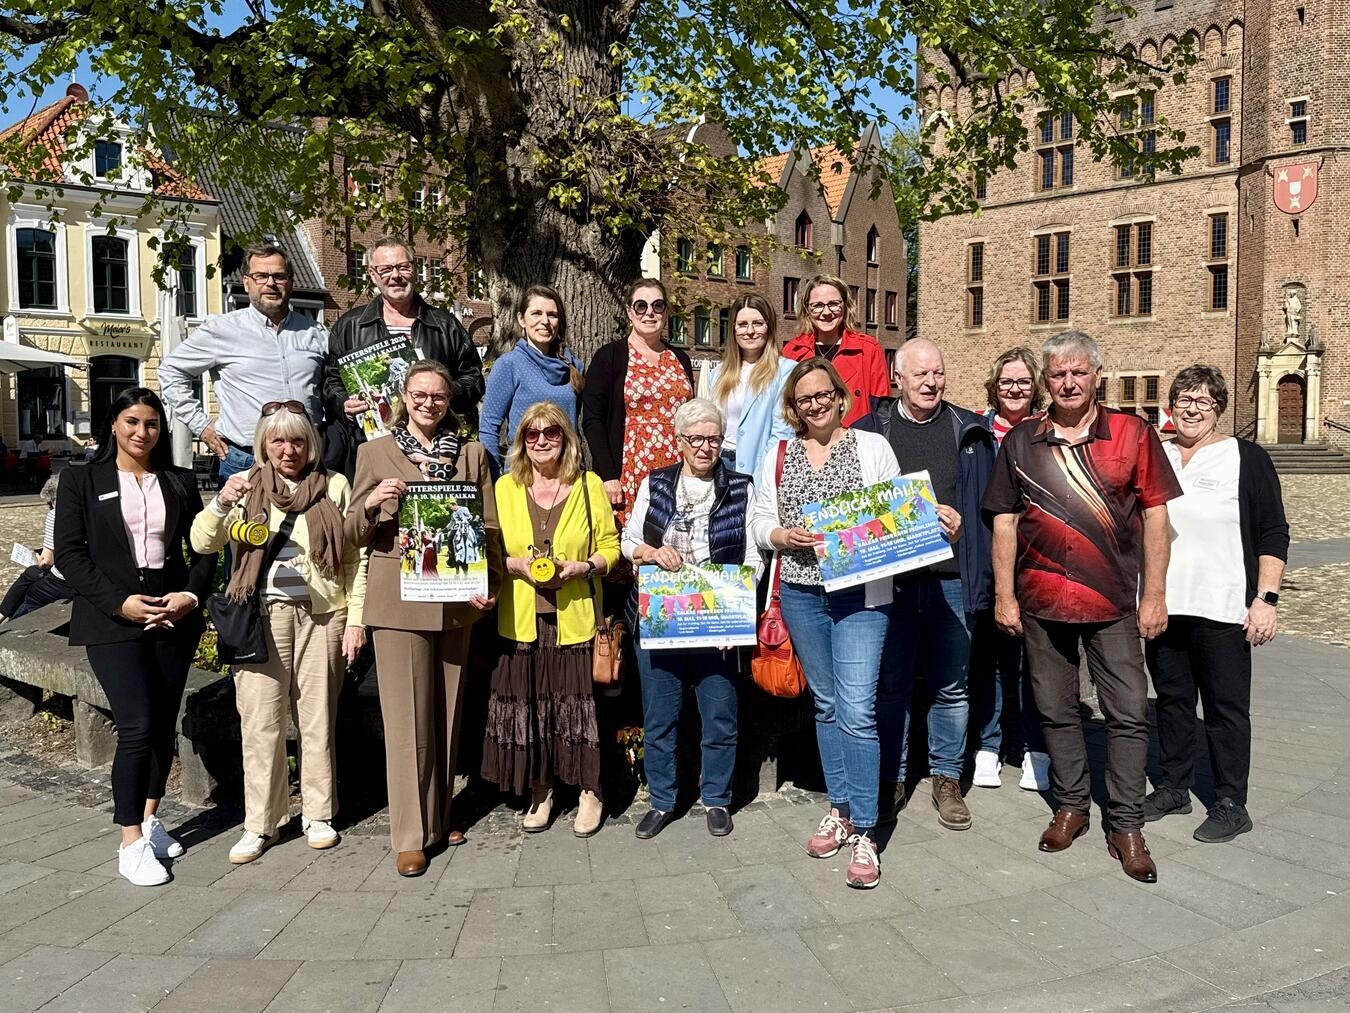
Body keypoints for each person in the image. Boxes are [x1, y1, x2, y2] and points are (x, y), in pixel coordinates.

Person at [982, 331, 1181, 883]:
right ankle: (1071, 805)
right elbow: (1004, 519)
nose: (1068, 383)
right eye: (1058, 374)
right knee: (1055, 708)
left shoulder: (1133, 434)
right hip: (1042, 600)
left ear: (1098, 376)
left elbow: (1158, 518)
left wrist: (1156, 594)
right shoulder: (1022, 441)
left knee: (1127, 712)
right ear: (1047, 381)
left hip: (1113, 601)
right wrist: (1004, 594)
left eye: (1078, 373)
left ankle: (1126, 823)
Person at [191, 402, 368, 864]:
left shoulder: (334, 486)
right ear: (263, 444)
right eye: (278, 441)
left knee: (317, 720)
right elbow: (202, 542)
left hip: (322, 615)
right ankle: (260, 823)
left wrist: (356, 619)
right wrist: (221, 502)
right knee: (260, 723)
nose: (288, 450)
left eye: (297, 440)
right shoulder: (246, 485)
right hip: (260, 616)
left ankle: (318, 812)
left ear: (310, 442)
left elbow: (354, 557)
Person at [53, 389, 217, 886]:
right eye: (131, 421)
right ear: (112, 425)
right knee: (138, 724)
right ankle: (129, 843)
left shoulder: (179, 480)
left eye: (151, 423)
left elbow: (205, 547)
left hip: (170, 612)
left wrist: (190, 596)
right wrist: (118, 602)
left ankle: (148, 819)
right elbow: (69, 554)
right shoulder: (81, 480)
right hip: (112, 617)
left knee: (163, 722)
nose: (141, 432)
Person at [346, 360, 501, 876]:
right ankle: (410, 835)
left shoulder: (473, 455)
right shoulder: (374, 452)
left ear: (449, 401)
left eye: (438, 395)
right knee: (406, 719)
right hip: (398, 600)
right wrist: (372, 502)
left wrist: (489, 583)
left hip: (456, 599)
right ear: (403, 397)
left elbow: (490, 526)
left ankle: (440, 816)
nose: (429, 403)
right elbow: (351, 532)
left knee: (448, 713)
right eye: (419, 394)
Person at [749, 358, 900, 889]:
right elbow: (760, 518)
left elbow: (894, 511)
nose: (815, 403)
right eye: (804, 398)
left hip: (861, 594)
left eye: (823, 395)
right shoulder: (779, 453)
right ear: (794, 406)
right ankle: (840, 808)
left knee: (857, 709)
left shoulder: (871, 448)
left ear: (840, 398)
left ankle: (868, 828)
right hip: (801, 592)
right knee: (828, 703)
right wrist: (780, 538)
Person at [1144, 365, 1289, 844]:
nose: (1192, 408)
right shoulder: (1156, 454)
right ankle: (1173, 786)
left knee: (1226, 709)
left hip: (1224, 607)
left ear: (1218, 408)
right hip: (1166, 603)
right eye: (1183, 399)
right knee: (1173, 702)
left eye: (1203, 401)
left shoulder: (1244, 458)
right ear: (1170, 405)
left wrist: (1266, 598)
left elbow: (1273, 531)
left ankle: (1231, 801)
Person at [859, 339, 987, 832]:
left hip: (952, 579)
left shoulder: (968, 429)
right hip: (891, 581)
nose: (931, 382)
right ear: (898, 378)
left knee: (951, 686)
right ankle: (891, 777)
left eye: (938, 373)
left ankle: (946, 778)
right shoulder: (871, 430)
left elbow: (987, 505)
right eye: (920, 375)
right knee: (890, 685)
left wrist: (965, 527)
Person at [623, 398, 760, 840]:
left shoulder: (741, 486)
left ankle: (716, 798)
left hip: (717, 622)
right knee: (660, 716)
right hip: (661, 617)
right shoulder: (656, 483)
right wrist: (649, 551)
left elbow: (754, 558)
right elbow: (627, 540)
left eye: (714, 438)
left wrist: (734, 613)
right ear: (679, 441)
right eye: (696, 438)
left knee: (720, 714)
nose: (705, 447)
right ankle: (663, 800)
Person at [482, 403, 619, 836]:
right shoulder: (504, 488)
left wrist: (587, 567)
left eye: (553, 432)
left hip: (574, 617)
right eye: (532, 433)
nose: (542, 440)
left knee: (577, 710)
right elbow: (486, 548)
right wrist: (512, 564)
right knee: (532, 707)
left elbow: (611, 546)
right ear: (521, 441)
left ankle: (589, 792)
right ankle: (541, 791)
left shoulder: (587, 484)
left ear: (567, 438)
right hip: (522, 617)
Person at [159, 244, 328, 483]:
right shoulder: (222, 330)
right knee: (245, 522)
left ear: (290, 282)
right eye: (261, 276)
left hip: (307, 460)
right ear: (247, 282)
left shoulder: (315, 332)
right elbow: (171, 370)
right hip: (246, 460)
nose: (270, 283)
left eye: (279, 276)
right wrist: (201, 425)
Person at [324, 237, 485, 478]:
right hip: (375, 449)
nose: (395, 276)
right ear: (372, 274)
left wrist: (442, 396)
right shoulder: (348, 326)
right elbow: (330, 381)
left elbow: (474, 379)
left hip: (436, 449)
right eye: (386, 269)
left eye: (403, 267)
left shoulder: (445, 325)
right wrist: (344, 403)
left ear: (414, 270)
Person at [974, 348, 1051, 792]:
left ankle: (1032, 748)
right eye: (1007, 383)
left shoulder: (1047, 430)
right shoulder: (977, 431)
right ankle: (989, 744)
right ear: (995, 387)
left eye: (1023, 382)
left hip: (1039, 559)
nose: (1015, 390)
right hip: (987, 557)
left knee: (1035, 661)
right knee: (989, 659)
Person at [581, 278, 695, 525]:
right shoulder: (610, 357)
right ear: (629, 311)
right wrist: (609, 475)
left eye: (658, 305)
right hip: (629, 470)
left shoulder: (680, 358)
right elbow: (593, 420)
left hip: (677, 467)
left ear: (666, 312)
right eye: (641, 306)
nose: (649, 313)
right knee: (632, 544)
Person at [479, 285, 585, 471]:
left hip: (567, 473)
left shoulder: (574, 367)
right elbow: (489, 428)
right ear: (521, 319)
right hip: (523, 475)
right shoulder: (509, 365)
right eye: (536, 313)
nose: (545, 321)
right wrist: (495, 481)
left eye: (552, 315)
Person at [697, 293, 795, 475]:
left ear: (769, 327)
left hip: (758, 466)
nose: (749, 331)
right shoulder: (718, 373)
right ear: (733, 329)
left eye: (757, 323)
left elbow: (782, 433)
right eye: (742, 324)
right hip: (717, 464)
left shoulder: (785, 371)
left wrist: (761, 474)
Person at [781, 275, 889, 427]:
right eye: (817, 305)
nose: (826, 312)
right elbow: (785, 407)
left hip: (857, 439)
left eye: (833, 304)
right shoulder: (792, 351)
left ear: (845, 306)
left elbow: (882, 412)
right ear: (807, 309)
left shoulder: (868, 349)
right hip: (807, 441)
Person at [0, 475, 73, 624]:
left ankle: (11, 625)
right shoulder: (90, 509)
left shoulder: (56, 514)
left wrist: (38, 558)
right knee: (31, 574)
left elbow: (46, 562)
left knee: (32, 583)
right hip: (92, 575)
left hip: (67, 581)